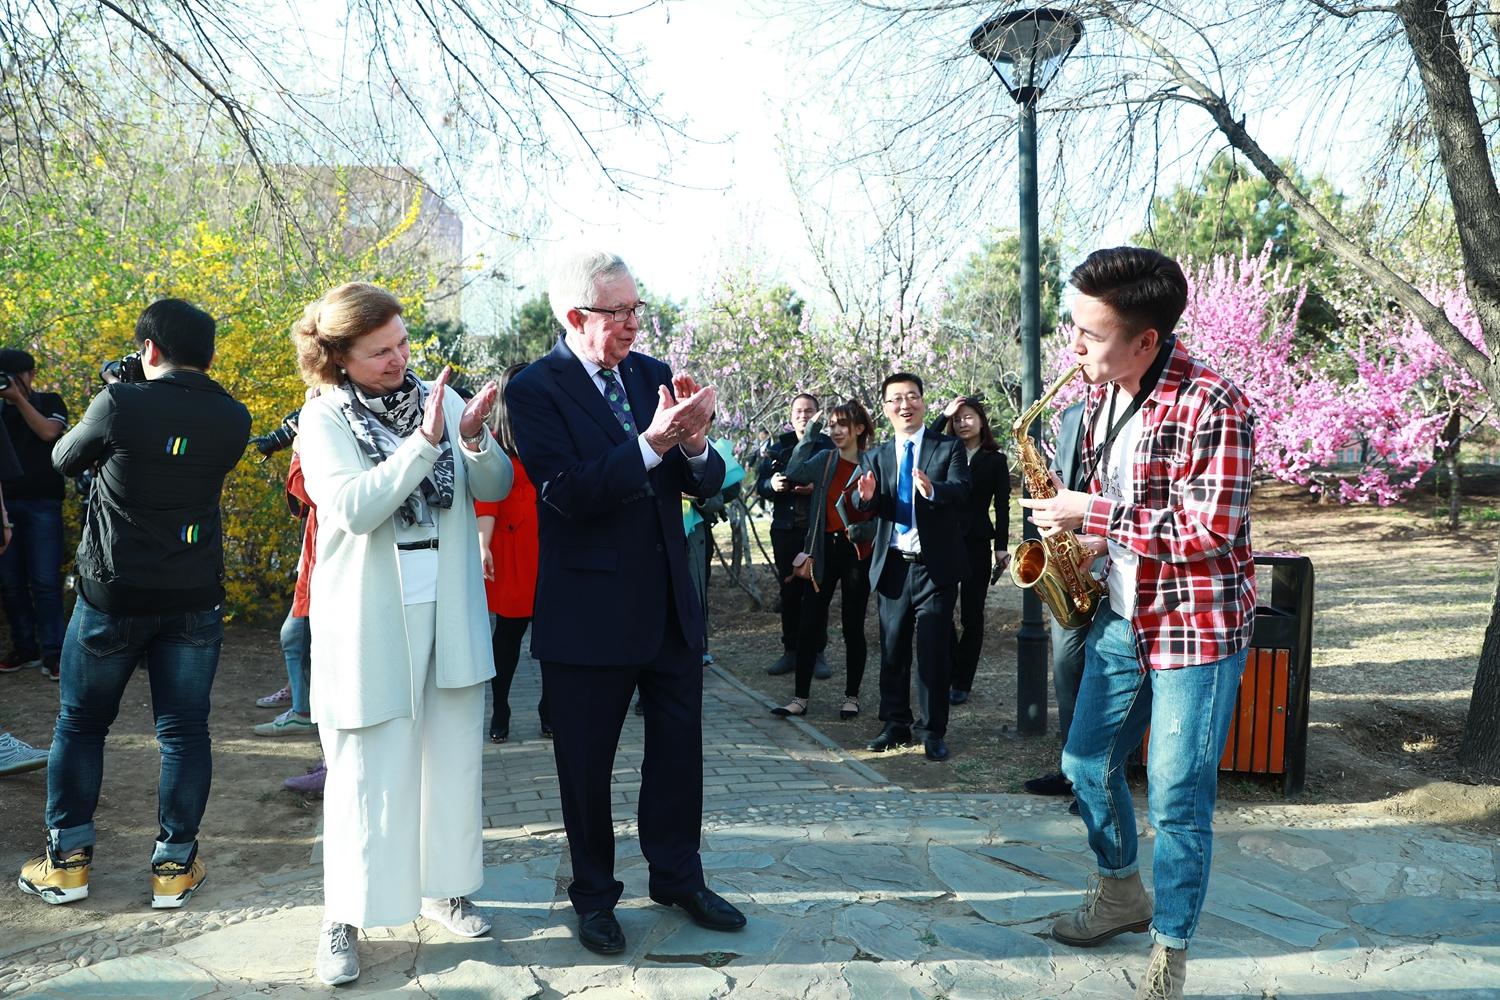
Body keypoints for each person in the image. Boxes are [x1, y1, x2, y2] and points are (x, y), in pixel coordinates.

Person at [1019, 247, 1256, 1000]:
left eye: (1090, 334)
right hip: (1124, 613)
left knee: (1180, 799)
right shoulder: (1099, 395)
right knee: (1085, 765)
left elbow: (1207, 532)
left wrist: (1094, 512)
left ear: (1147, 340)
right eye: (1073, 327)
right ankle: (1122, 891)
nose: (1074, 348)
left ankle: (1171, 948)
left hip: (1198, 629)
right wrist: (1085, 544)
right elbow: (1120, 505)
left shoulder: (1216, 404)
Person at [505, 248, 745, 958]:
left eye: (639, 309)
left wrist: (697, 447)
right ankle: (595, 896)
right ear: (577, 316)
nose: (635, 325)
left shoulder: (651, 377)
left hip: (669, 604)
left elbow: (700, 485)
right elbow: (568, 493)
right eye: (620, 313)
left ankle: (677, 876)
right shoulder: (536, 389)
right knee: (587, 767)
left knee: (678, 757)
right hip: (586, 615)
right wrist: (650, 443)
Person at [292, 282, 512, 985]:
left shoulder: (441, 400)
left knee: (450, 761)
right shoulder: (322, 417)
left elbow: (497, 485)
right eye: (380, 351)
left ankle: (444, 885)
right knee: (364, 772)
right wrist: (424, 446)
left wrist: (472, 436)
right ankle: (344, 916)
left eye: (403, 343)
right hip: (367, 615)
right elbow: (355, 507)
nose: (399, 360)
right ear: (340, 357)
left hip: (448, 607)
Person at [19, 299, 251, 909]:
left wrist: (118, 395)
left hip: (113, 595)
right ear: (209, 354)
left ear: (148, 349)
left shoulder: (120, 402)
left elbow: (64, 458)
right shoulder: (235, 417)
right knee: (183, 732)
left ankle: (67, 863)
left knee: (81, 722)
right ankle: (174, 867)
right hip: (194, 596)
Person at [850, 373, 970, 763]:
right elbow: (870, 506)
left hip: (934, 569)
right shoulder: (876, 455)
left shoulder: (947, 446)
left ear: (923, 401)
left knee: (934, 652)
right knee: (892, 648)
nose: (905, 405)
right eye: (896, 399)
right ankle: (894, 723)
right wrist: (866, 500)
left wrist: (932, 490)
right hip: (893, 567)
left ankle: (933, 730)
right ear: (886, 409)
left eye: (912, 397)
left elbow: (961, 489)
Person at [771, 400, 875, 721]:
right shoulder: (824, 459)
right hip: (823, 549)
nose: (836, 430)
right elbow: (793, 471)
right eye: (831, 424)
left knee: (852, 626)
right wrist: (811, 430)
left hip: (857, 552)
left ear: (859, 428)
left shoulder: (874, 462)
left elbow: (882, 511)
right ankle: (800, 699)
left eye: (842, 424)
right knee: (809, 624)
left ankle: (852, 697)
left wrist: (864, 525)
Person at [1023, 399, 1088, 812]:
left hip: (1117, 553)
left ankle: (1098, 781)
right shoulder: (1073, 415)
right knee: (1067, 674)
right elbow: (1064, 476)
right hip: (1069, 565)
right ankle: (1073, 770)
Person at [476, 362, 546, 744]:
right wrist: (483, 544)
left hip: (553, 543)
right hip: (514, 546)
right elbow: (487, 495)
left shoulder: (553, 428)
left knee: (556, 635)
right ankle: (500, 706)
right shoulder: (495, 440)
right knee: (508, 635)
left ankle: (550, 709)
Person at [932, 395, 1011, 706]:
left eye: (968, 417)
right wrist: (943, 414)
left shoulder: (995, 460)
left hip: (977, 541)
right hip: (944, 540)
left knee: (971, 614)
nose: (962, 423)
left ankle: (962, 680)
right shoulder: (944, 452)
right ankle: (951, 667)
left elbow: (1002, 506)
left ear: (981, 422)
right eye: (957, 418)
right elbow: (928, 439)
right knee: (941, 609)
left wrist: (1001, 547)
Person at [0, 349, 69, 681]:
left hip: (44, 502)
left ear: (29, 374)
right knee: (10, 583)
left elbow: (48, 432)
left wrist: (18, 400)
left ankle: (54, 653)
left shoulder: (50, 400)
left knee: (45, 581)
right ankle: (24, 648)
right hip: (5, 503)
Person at [756, 393, 832, 678]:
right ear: (791, 417)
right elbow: (762, 484)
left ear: (817, 415)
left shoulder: (828, 444)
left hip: (817, 530)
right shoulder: (779, 447)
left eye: (809, 411)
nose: (803, 415)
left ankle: (817, 652)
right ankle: (790, 651)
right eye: (798, 411)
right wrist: (771, 484)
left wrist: (817, 489)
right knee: (789, 592)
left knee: (817, 590)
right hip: (786, 529)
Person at [683, 424, 745, 666]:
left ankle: (698, 647)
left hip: (697, 533)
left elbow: (731, 488)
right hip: (659, 533)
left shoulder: (712, 452)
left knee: (698, 589)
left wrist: (699, 495)